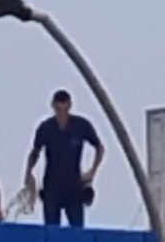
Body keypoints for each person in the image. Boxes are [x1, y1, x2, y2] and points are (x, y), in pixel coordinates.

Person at [24, 89, 105, 227]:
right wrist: (28, 172)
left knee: (77, 229)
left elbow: (99, 147)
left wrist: (92, 171)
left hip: (74, 185)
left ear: (69, 105)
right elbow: (35, 151)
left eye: (64, 105)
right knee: (52, 229)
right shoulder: (46, 128)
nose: (61, 110)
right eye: (58, 106)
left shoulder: (81, 125)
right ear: (53, 106)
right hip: (52, 186)